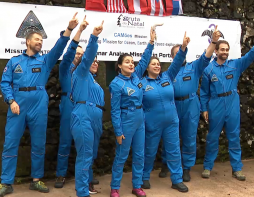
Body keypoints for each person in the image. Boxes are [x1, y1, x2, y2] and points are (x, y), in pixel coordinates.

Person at [0, 12, 79, 197]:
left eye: (41, 40)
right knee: (10, 143)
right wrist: (11, 100)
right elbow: (4, 83)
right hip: (18, 103)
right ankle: (6, 182)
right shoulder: (14, 61)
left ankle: (36, 180)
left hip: (39, 103)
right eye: (37, 40)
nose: (40, 42)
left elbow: (59, 48)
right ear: (28, 42)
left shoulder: (45, 61)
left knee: (39, 143)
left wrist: (69, 29)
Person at [200, 25, 254, 180]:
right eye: (222, 49)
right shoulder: (208, 70)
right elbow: (204, 92)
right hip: (215, 104)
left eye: (227, 49)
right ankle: (207, 167)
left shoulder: (235, 65)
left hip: (231, 103)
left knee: (234, 137)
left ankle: (237, 168)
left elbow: (250, 55)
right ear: (216, 51)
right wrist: (204, 108)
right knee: (212, 137)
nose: (224, 52)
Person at [159, 25, 221, 182]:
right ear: (173, 57)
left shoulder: (194, 67)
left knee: (189, 137)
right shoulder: (167, 74)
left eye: (184, 51)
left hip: (191, 105)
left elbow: (206, 57)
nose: (183, 54)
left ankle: (186, 168)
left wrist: (214, 42)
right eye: (179, 53)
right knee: (170, 136)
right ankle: (167, 163)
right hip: (173, 106)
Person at [109, 27, 156, 197]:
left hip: (139, 118)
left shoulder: (135, 77)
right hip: (126, 119)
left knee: (139, 154)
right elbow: (114, 110)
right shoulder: (116, 84)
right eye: (127, 62)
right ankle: (115, 188)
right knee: (121, 156)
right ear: (120, 65)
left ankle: (137, 185)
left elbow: (144, 60)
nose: (131, 64)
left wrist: (151, 42)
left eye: (132, 62)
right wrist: (118, 131)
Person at [140, 32, 189, 192]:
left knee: (174, 151)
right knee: (149, 151)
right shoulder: (141, 83)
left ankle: (177, 179)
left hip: (171, 122)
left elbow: (177, 61)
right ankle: (144, 177)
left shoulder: (167, 76)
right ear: (147, 66)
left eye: (158, 64)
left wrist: (183, 48)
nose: (157, 66)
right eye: (153, 64)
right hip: (152, 123)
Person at [70, 20, 105, 197]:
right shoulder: (80, 72)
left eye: (98, 61)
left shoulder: (93, 81)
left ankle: (88, 186)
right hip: (83, 115)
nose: (95, 62)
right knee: (84, 155)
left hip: (95, 119)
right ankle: (82, 192)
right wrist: (94, 37)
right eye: (93, 60)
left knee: (90, 155)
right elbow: (89, 55)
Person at [54, 16, 89, 189]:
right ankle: (60, 174)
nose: (80, 56)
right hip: (68, 103)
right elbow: (67, 55)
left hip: (83, 105)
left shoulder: (85, 72)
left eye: (82, 54)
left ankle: (86, 174)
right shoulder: (64, 69)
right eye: (78, 53)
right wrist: (79, 31)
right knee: (66, 140)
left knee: (85, 141)